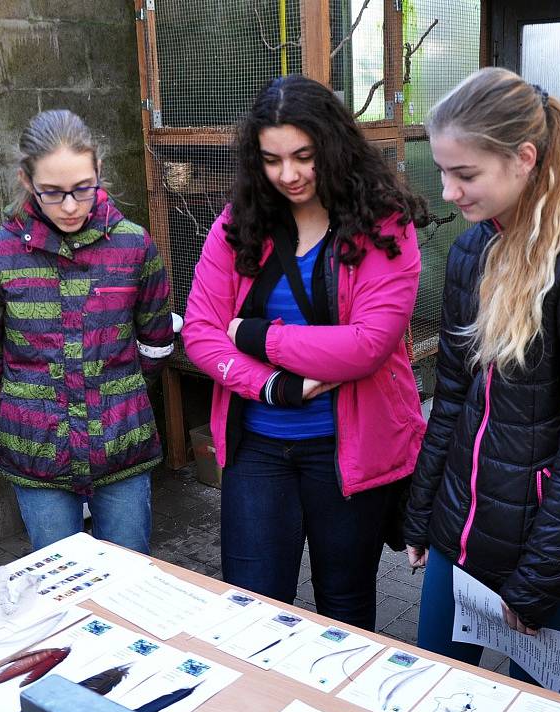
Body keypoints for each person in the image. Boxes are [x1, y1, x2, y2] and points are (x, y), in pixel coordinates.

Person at [403, 67, 560, 683]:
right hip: (466, 529)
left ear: (523, 159)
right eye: (444, 172)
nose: (449, 192)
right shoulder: (471, 251)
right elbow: (453, 397)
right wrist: (423, 511)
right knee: (436, 687)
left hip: (557, 551)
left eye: (466, 174)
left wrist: (538, 581)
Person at [183, 75, 428, 630]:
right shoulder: (237, 223)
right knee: (251, 608)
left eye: (303, 156)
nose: (288, 175)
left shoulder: (382, 225)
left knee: (343, 610)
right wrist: (273, 386)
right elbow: (200, 332)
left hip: (348, 450)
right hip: (259, 449)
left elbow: (367, 345)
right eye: (271, 160)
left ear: (334, 147)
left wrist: (253, 336)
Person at [0, 109, 174, 554]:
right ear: (26, 180)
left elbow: (156, 342)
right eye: (53, 194)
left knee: (128, 578)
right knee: (60, 588)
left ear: (98, 170)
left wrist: (115, 394)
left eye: (82, 188)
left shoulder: (135, 246)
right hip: (35, 448)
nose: (72, 206)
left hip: (122, 443)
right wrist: (38, 401)